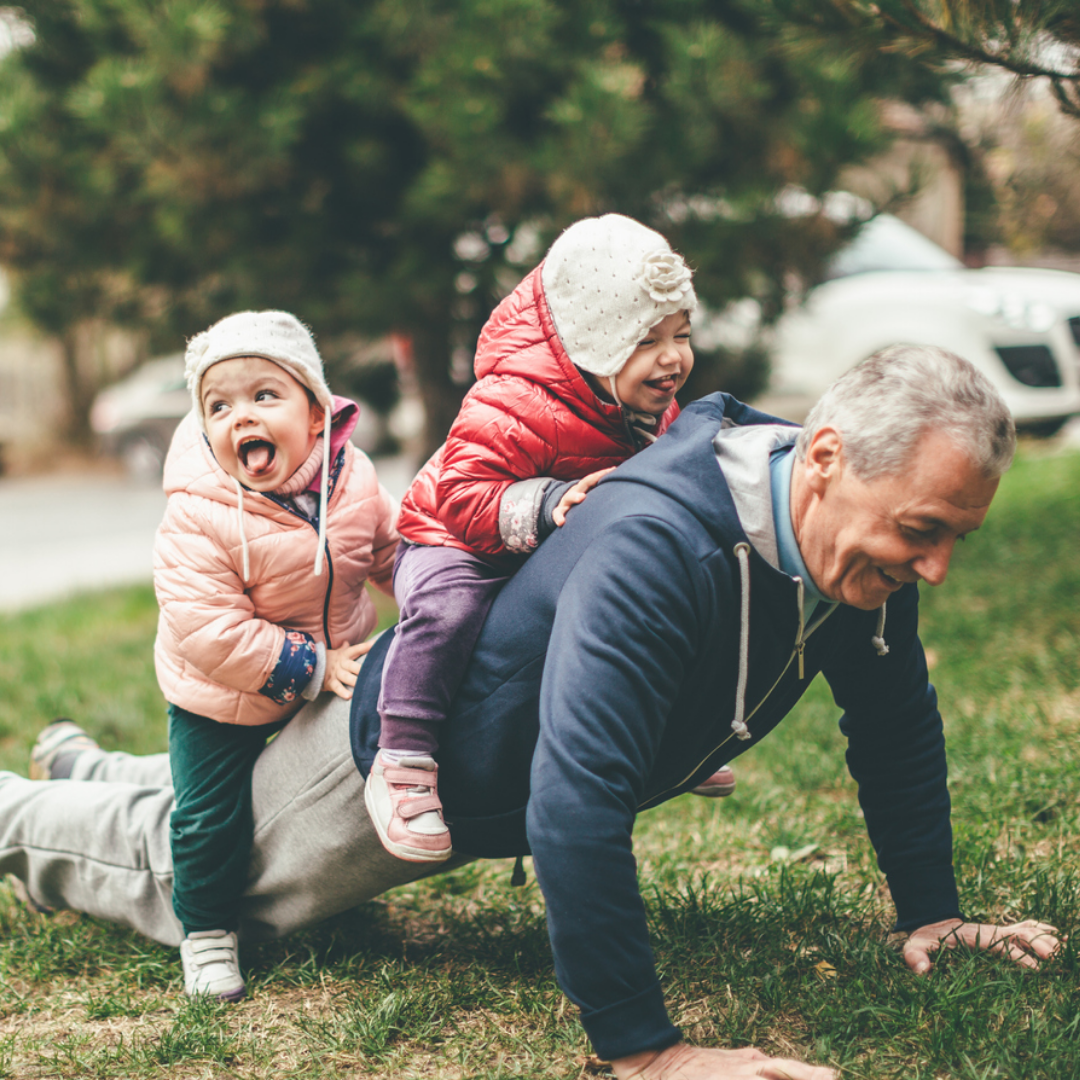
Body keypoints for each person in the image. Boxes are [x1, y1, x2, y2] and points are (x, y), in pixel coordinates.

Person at [2, 344, 1061, 1080]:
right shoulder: (663, 545)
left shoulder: (846, 542)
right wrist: (643, 1047)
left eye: (956, 535)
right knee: (176, 867)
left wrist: (931, 910)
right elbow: (576, 798)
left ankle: (103, 764)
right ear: (824, 458)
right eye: (924, 529)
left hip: (474, 770)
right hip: (385, 766)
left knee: (198, 797)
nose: (938, 565)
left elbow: (894, 724)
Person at [29, 311, 399, 1003]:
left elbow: (385, 551)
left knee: (269, 790)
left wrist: (428, 584)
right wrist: (315, 666)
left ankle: (85, 766)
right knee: (209, 814)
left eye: (265, 396)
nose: (241, 417)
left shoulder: (353, 479)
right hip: (221, 691)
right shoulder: (199, 514)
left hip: (324, 668)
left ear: (318, 413)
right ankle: (205, 934)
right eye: (218, 406)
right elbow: (209, 630)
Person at [368, 212, 734, 864]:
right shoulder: (509, 400)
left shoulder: (643, 404)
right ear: (592, 342)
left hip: (551, 540)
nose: (674, 356)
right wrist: (544, 503)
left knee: (642, 603)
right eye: (648, 340)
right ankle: (402, 758)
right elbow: (460, 496)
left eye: (681, 333)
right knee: (448, 611)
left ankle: (664, 735)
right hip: (455, 537)